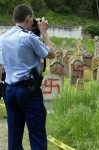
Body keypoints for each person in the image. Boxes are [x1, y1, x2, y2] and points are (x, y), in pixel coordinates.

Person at [0, 4, 55, 150]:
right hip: (28, 91)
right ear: (28, 17)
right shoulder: (29, 38)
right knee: (37, 134)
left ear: (14, 18)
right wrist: (44, 32)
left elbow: (1, 63)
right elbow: (51, 54)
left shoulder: (3, 37)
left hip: (10, 90)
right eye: (32, 19)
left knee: (14, 135)